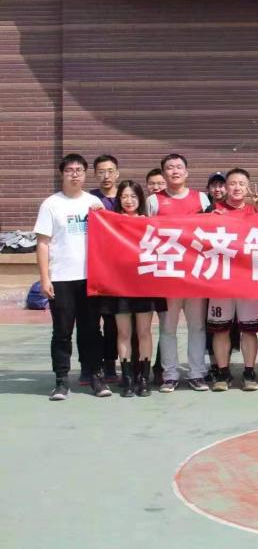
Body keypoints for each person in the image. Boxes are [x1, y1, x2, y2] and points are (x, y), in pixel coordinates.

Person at [35, 153, 108, 400]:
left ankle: (96, 376)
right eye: (69, 170)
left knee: (91, 330)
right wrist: (45, 278)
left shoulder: (94, 203)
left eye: (79, 170)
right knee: (62, 331)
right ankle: (61, 381)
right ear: (62, 174)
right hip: (61, 278)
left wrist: (102, 213)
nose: (74, 174)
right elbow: (43, 243)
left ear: (85, 174)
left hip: (91, 278)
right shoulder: (51, 204)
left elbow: (109, 235)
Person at [147, 153, 211, 393]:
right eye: (170, 168)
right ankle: (170, 374)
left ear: (187, 172)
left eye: (179, 167)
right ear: (163, 173)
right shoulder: (154, 201)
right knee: (167, 328)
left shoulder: (201, 198)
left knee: (197, 327)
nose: (175, 171)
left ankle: (197, 373)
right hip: (168, 276)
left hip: (195, 275)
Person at [206, 168, 258, 392]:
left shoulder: (255, 210)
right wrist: (210, 221)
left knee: (249, 329)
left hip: (248, 280)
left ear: (248, 186)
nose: (237, 187)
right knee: (220, 329)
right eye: (232, 183)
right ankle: (223, 373)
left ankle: (249, 373)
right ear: (225, 187)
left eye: (241, 183)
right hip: (220, 280)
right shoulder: (213, 210)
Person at [102, 180, 162, 397]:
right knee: (124, 332)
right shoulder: (110, 222)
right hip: (119, 285)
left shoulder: (149, 223)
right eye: (125, 196)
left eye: (133, 196)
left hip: (144, 284)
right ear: (119, 199)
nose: (129, 201)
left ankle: (143, 378)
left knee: (144, 331)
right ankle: (127, 378)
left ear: (140, 199)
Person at [89, 154, 120, 383]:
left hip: (118, 273)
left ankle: (110, 364)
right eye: (101, 171)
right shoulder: (88, 199)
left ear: (117, 173)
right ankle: (91, 365)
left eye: (110, 171)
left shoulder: (126, 197)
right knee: (91, 321)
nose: (106, 175)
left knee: (112, 322)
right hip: (93, 269)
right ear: (95, 174)